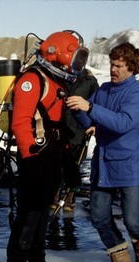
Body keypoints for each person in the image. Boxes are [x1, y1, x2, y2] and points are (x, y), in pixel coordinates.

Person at [1, 30, 90, 262]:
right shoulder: (32, 79)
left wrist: (68, 163)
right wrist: (30, 160)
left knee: (41, 220)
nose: (73, 65)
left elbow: (57, 128)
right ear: (56, 54)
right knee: (27, 220)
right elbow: (20, 123)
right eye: (72, 58)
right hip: (35, 161)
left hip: (51, 159)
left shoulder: (57, 82)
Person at [66, 42, 139, 262]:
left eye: (119, 66)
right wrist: (75, 107)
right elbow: (87, 116)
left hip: (128, 164)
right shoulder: (103, 90)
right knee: (100, 217)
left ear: (132, 68)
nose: (113, 69)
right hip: (103, 163)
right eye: (112, 64)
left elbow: (122, 122)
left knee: (133, 220)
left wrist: (90, 107)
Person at [51, 69, 99, 213]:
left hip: (79, 129)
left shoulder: (90, 81)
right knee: (58, 162)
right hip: (61, 128)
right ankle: (57, 191)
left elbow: (96, 105)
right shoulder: (60, 76)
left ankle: (70, 194)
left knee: (75, 163)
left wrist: (92, 124)